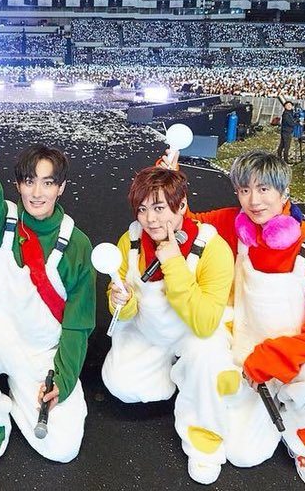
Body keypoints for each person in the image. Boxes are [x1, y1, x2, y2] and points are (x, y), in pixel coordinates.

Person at [0, 93, 94, 482]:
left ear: (61, 188)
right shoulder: (3, 222)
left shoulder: (77, 244)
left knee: (63, 448)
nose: (37, 193)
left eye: (48, 183)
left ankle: (12, 394)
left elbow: (78, 324)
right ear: (18, 185)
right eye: (29, 182)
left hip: (41, 353)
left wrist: (63, 379)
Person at [188, 150, 305, 491]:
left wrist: (270, 359)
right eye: (244, 190)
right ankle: (276, 414)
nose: (254, 200)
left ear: (284, 192)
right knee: (243, 454)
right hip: (249, 361)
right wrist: (170, 177)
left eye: (264, 189)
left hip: (299, 360)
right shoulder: (237, 226)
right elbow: (188, 223)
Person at [101, 165, 235, 484]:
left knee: (207, 356)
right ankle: (180, 377)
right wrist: (120, 300)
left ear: (182, 205)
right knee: (121, 386)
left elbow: (204, 323)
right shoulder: (130, 240)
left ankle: (205, 443)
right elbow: (122, 305)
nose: (150, 219)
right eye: (142, 209)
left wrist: (173, 263)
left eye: (159, 208)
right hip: (149, 331)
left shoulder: (213, 248)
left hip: (194, 333)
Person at [278, 97, 297, 163]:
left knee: (282, 144)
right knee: (286, 146)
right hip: (287, 131)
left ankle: (279, 157)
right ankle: (285, 160)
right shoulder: (286, 114)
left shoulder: (290, 113)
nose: (289, 106)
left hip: (285, 131)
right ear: (285, 106)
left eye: (290, 105)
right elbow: (290, 123)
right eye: (287, 105)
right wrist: (296, 123)